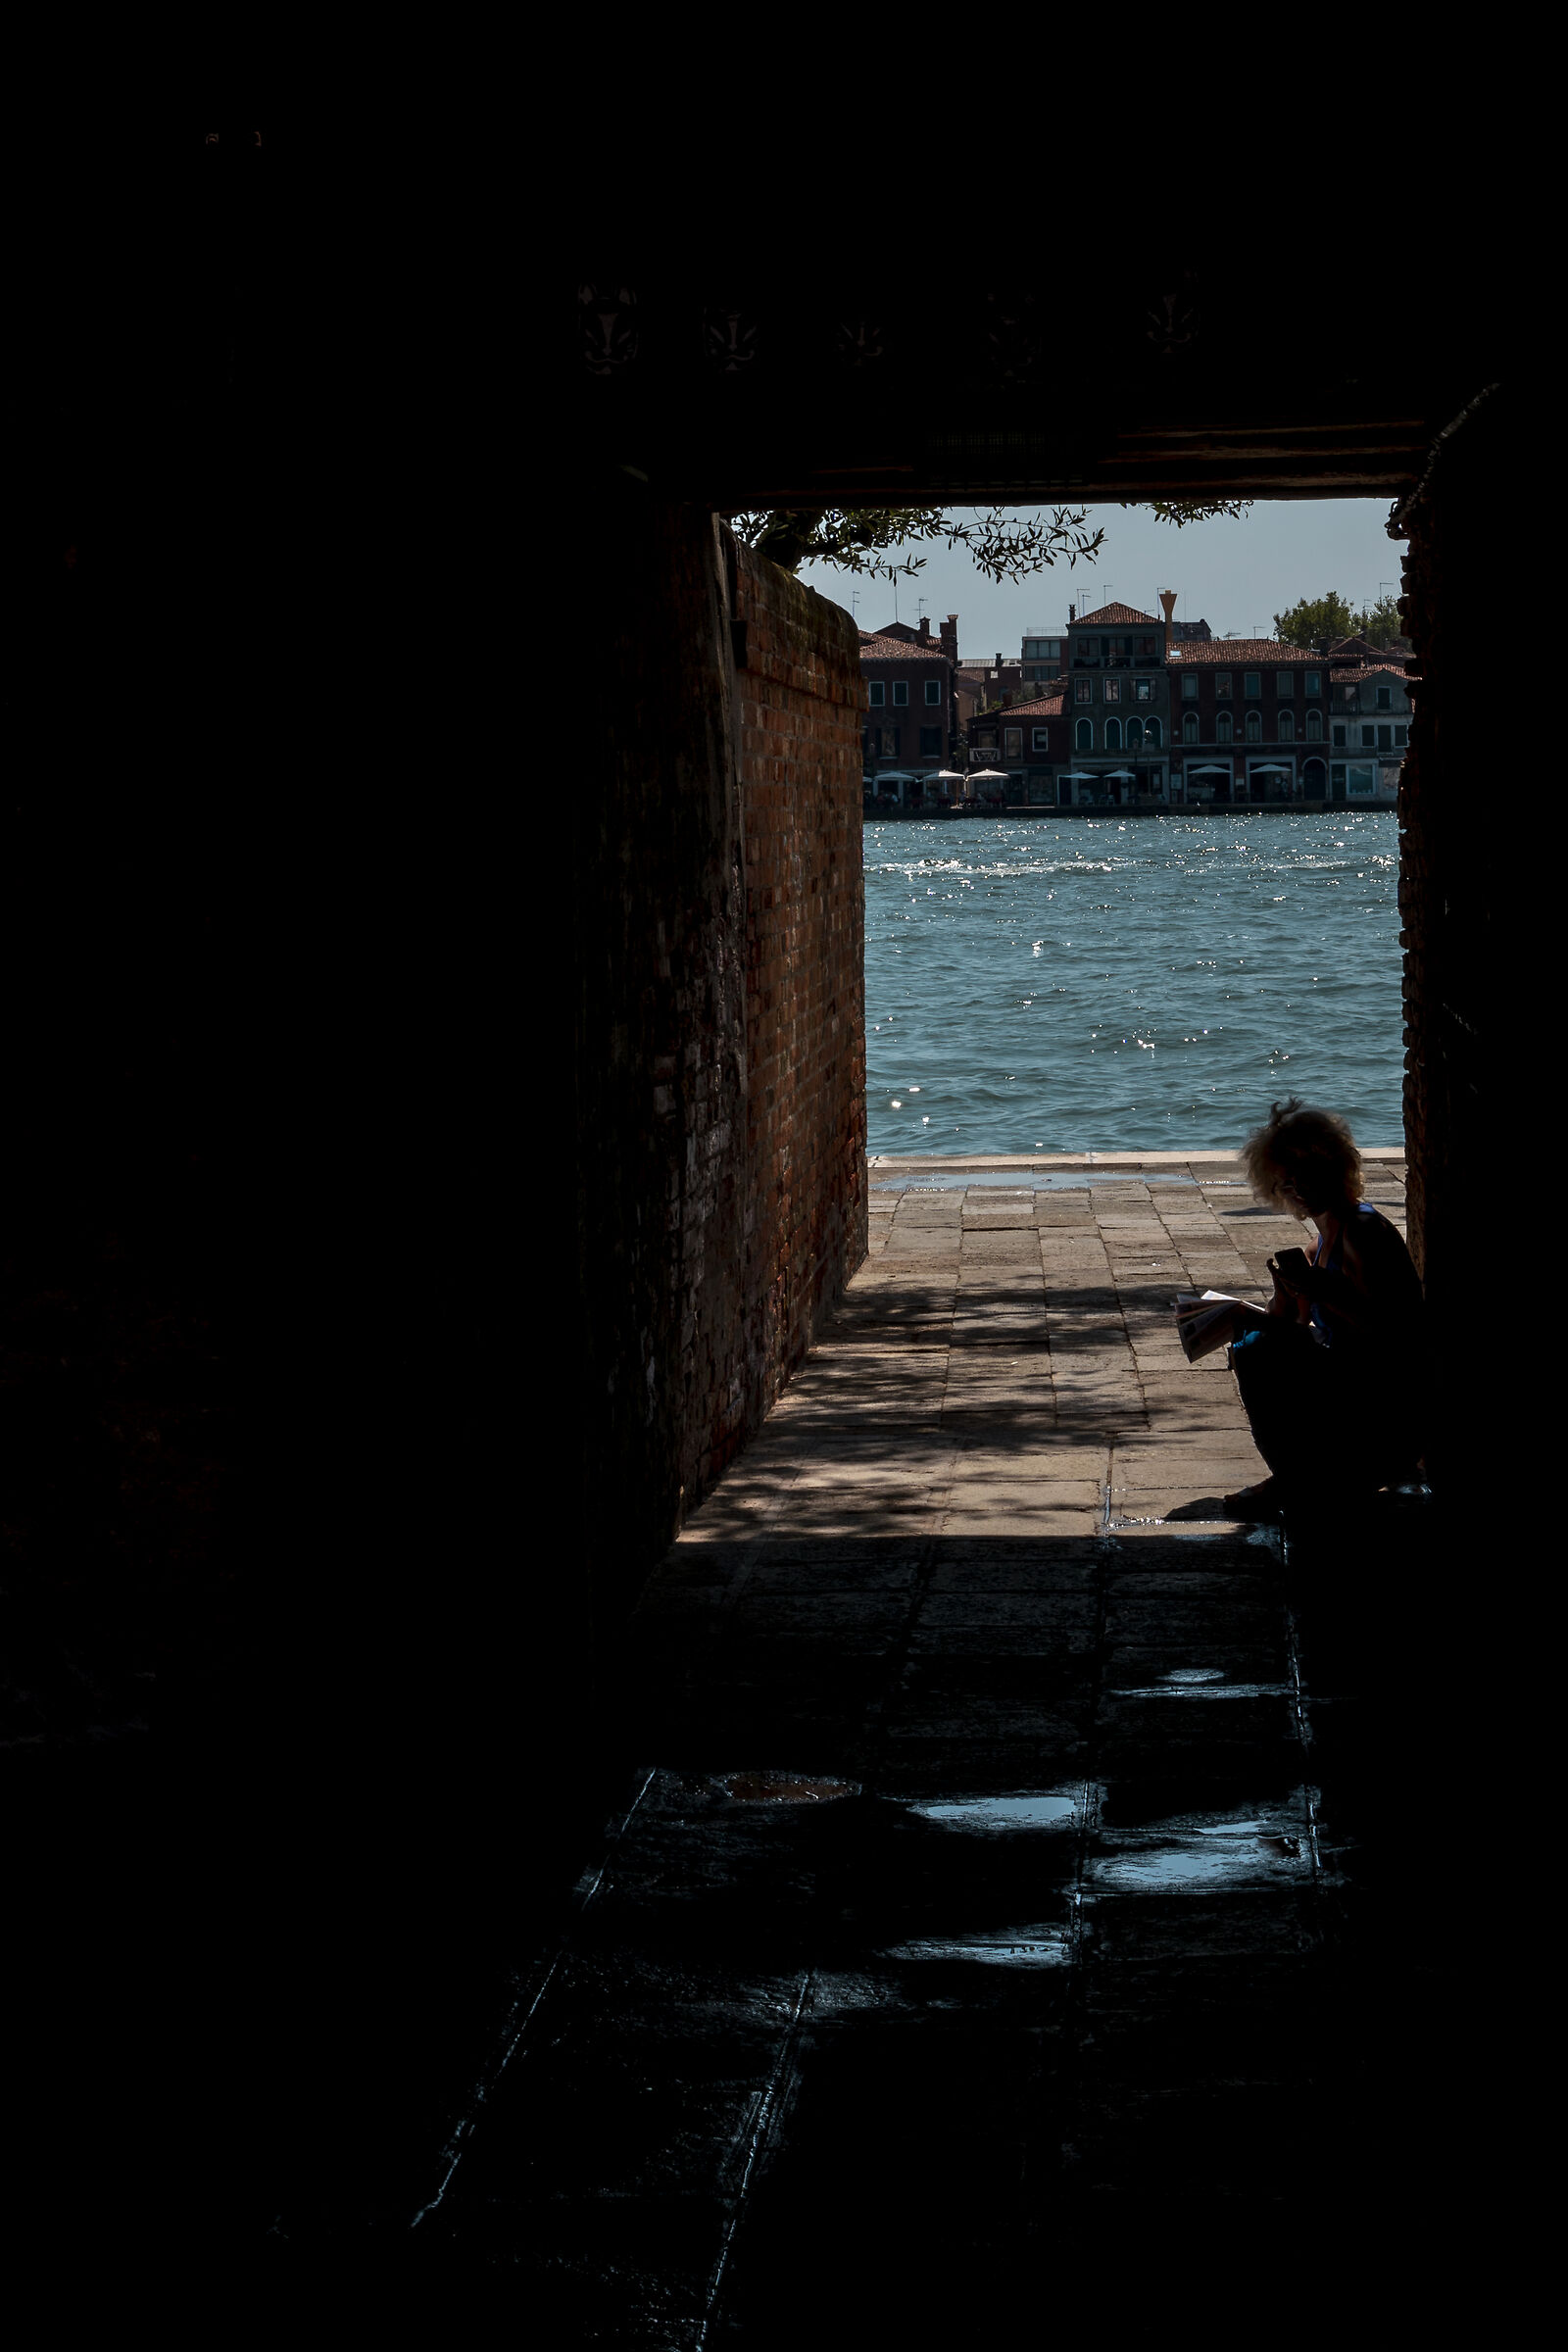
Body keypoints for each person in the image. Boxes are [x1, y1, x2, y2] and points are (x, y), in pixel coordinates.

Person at [1170, 1098, 1426, 1522]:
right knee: (1253, 1341)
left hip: (1387, 1412)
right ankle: (1299, 1473)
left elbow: (1394, 1334)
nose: (1299, 1190)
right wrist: (1273, 1303)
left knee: (1258, 1351)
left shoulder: (1362, 1231)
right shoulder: (1316, 1245)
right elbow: (1294, 1325)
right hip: (1347, 1391)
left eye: (1308, 1176)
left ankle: (1296, 1479)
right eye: (1288, 1182)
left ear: (1336, 1169)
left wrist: (1324, 1292)